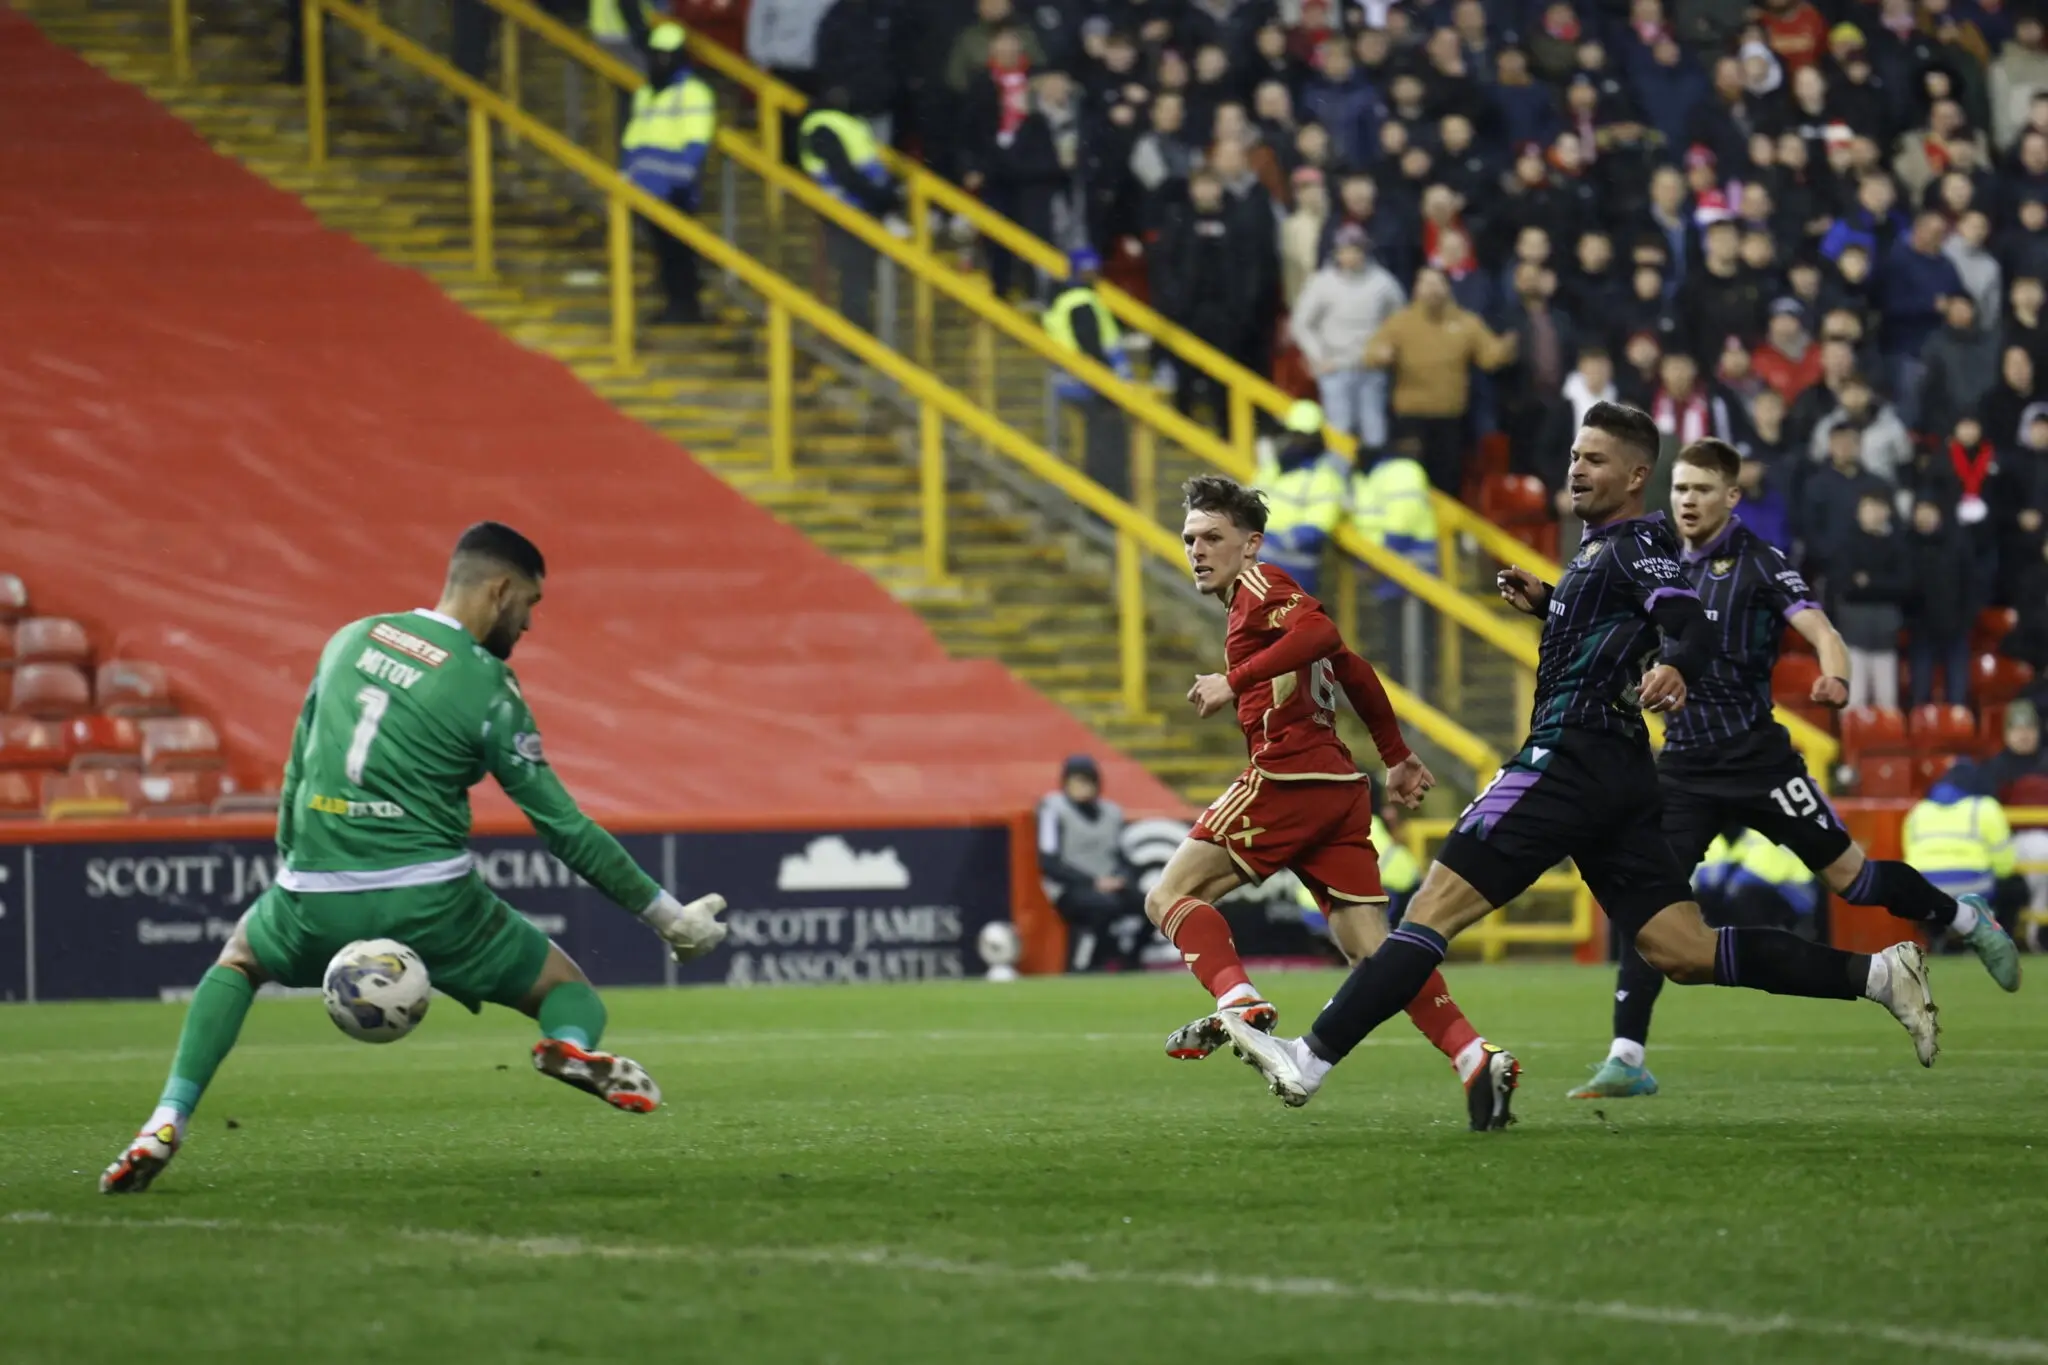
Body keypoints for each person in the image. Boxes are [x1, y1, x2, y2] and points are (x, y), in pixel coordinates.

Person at [1216, 403, 1942, 1114]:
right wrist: (1549, 603)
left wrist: (1681, 666)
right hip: (1615, 771)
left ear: (1636, 475)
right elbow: (1619, 627)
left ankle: (1307, 1061)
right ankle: (1878, 974)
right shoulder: (1601, 548)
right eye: (1573, 456)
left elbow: (1687, 623)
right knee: (1681, 948)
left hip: (1566, 756)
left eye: (1594, 459)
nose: (1576, 469)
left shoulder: (1637, 543)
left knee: (1430, 910)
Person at [99, 524, 732, 1194]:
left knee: (240, 960)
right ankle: (569, 1044)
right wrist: (669, 917)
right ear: (500, 590)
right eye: (531, 605)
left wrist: (297, 868)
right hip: (431, 900)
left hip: (312, 890)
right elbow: (563, 826)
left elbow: (297, 769)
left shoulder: (348, 639)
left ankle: (165, 1118)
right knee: (566, 988)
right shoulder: (489, 687)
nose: (529, 623)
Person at [1568, 439, 2017, 1100]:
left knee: (1856, 881)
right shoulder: (1653, 552)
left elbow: (1820, 629)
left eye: (1701, 489)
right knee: (1651, 899)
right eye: (1681, 488)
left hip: (1758, 762)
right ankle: (1627, 1054)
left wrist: (1834, 675)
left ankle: (1966, 919)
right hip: (1686, 767)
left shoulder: (1757, 562)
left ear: (1731, 496)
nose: (1687, 500)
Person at [1154, 475, 1525, 1132]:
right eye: (1189, 538)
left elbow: (1322, 633)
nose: (1197, 550)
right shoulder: (1254, 602)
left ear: (1251, 544)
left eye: (1213, 537)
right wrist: (1396, 755)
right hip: (1338, 788)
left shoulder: (1263, 587)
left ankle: (1240, 1003)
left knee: (1170, 896)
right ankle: (1474, 1056)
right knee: (1375, 955)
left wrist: (1231, 680)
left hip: (1288, 777)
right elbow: (1351, 665)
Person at [1364, 267, 1518, 495]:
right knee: (1409, 481)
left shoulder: (1467, 323)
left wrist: (1507, 348)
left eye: (1436, 283)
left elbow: (1489, 357)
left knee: (1447, 482)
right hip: (1410, 418)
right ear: (1416, 288)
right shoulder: (1400, 322)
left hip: (1450, 420)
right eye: (1425, 283)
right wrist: (1381, 354)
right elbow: (1370, 353)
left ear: (1447, 288)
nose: (1431, 289)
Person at [620, 25, 717, 326]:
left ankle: (686, 307)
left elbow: (697, 140)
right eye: (655, 55)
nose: (659, 61)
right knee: (663, 251)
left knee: (678, 252)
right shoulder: (646, 93)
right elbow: (634, 138)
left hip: (676, 187)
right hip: (646, 186)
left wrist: (680, 181)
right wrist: (627, 175)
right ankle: (676, 305)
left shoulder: (693, 92)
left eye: (666, 56)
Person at [1291, 225, 1405, 451]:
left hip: (1371, 367)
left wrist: (1387, 348)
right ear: (1337, 253)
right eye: (1345, 250)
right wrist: (1318, 356)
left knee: (1374, 430)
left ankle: (1374, 481)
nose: (1351, 256)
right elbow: (1301, 324)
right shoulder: (1321, 282)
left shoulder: (1383, 283)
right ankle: (1339, 483)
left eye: (1356, 250)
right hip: (1335, 367)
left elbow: (1401, 321)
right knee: (1339, 431)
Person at [799, 89, 898, 332]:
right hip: (847, 210)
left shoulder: (847, 122)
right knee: (855, 278)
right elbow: (845, 174)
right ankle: (856, 341)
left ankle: (861, 337)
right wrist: (882, 199)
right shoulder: (823, 125)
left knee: (861, 278)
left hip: (862, 207)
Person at [1036, 754, 1144, 972]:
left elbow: (1122, 855)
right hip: (1069, 887)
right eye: (1076, 781)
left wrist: (1123, 878)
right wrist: (1093, 882)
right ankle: (1085, 964)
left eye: (1087, 781)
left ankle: (1130, 961)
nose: (1082, 787)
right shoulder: (1052, 809)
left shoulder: (1111, 812)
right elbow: (1048, 862)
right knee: (1103, 906)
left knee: (1151, 906)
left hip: (1108, 883)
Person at [1043, 246, 1131, 498]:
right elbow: (1091, 347)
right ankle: (1106, 505)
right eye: (1088, 271)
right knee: (1106, 453)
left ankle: (1102, 503)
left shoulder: (1068, 300)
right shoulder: (1081, 302)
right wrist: (1110, 387)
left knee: (1099, 449)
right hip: (1091, 387)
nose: (1092, 275)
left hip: (1081, 385)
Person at [1253, 401, 1350, 598]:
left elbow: (1316, 529)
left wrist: (1270, 540)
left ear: (1315, 439)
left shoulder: (1325, 478)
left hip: (1294, 576)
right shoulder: (1273, 469)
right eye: (1291, 434)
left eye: (1300, 436)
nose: (1293, 441)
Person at [1833, 491, 1910, 711]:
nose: (1874, 513)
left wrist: (1869, 581)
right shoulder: (1846, 543)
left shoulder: (1897, 544)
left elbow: (1904, 585)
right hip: (1853, 635)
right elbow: (1846, 587)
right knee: (1854, 703)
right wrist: (1883, 584)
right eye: (1869, 507)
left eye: (1879, 507)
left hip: (1886, 635)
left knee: (1887, 703)